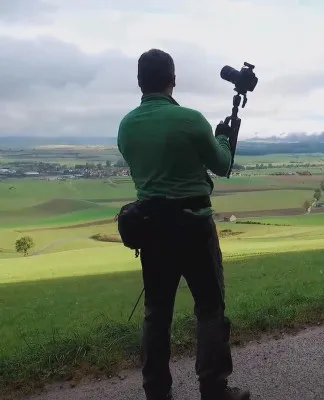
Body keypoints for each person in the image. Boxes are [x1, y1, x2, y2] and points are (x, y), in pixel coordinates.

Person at [117, 49, 251, 400]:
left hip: (151, 229)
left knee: (156, 313)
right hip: (193, 227)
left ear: (140, 81)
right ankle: (213, 389)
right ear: (172, 79)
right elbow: (221, 165)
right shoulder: (191, 120)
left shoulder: (126, 126)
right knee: (209, 308)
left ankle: (156, 392)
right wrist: (223, 136)